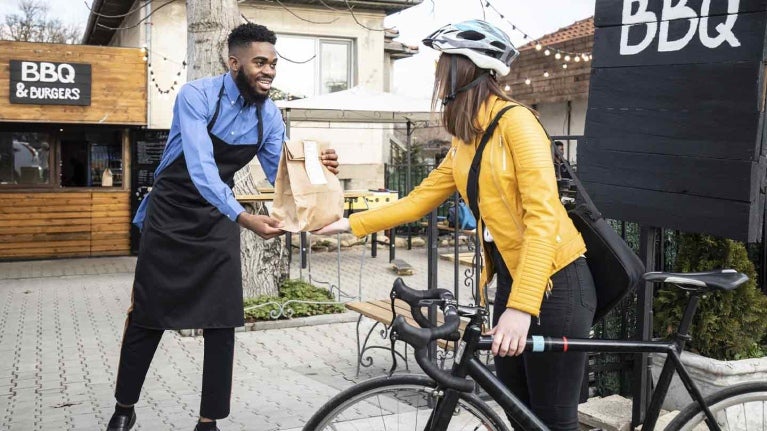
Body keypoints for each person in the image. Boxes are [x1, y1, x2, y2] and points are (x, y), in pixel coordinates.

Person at [315, 19, 595, 431]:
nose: (436, 76)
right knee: (519, 412)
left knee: (553, 419)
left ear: (465, 71)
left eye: (442, 65)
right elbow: (417, 201)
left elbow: (544, 218)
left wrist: (521, 308)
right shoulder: (467, 140)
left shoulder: (518, 123)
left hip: (557, 284)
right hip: (517, 285)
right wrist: (345, 224)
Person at [105, 23, 339, 431]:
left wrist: (318, 168)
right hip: (173, 213)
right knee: (149, 314)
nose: (268, 71)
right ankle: (124, 407)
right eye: (259, 62)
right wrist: (243, 217)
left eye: (273, 64)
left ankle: (208, 421)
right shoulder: (197, 96)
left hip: (217, 219)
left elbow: (280, 173)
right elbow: (200, 166)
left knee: (222, 321)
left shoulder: (270, 116)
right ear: (234, 63)